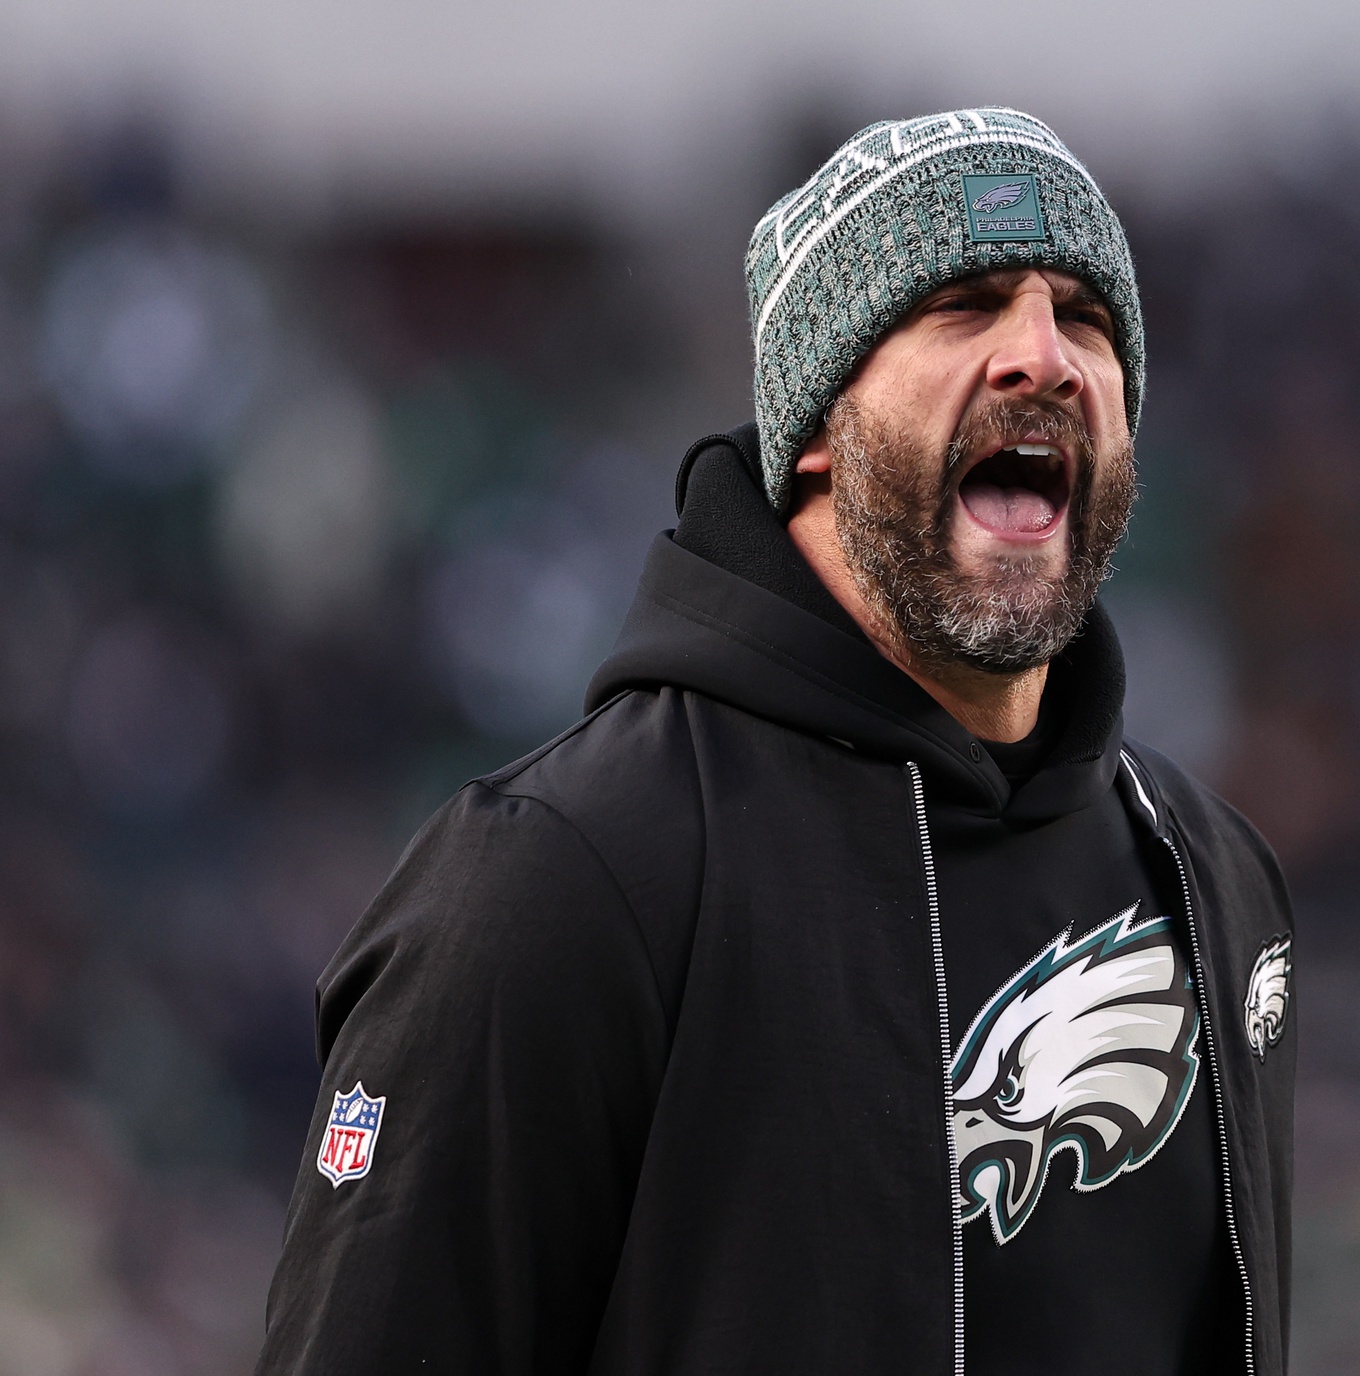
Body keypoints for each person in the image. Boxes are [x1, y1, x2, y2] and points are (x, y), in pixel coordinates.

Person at [257, 107, 1295, 1376]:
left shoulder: (1208, 871)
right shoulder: (558, 878)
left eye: (1084, 317)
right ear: (813, 422)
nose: (1044, 355)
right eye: (963, 305)